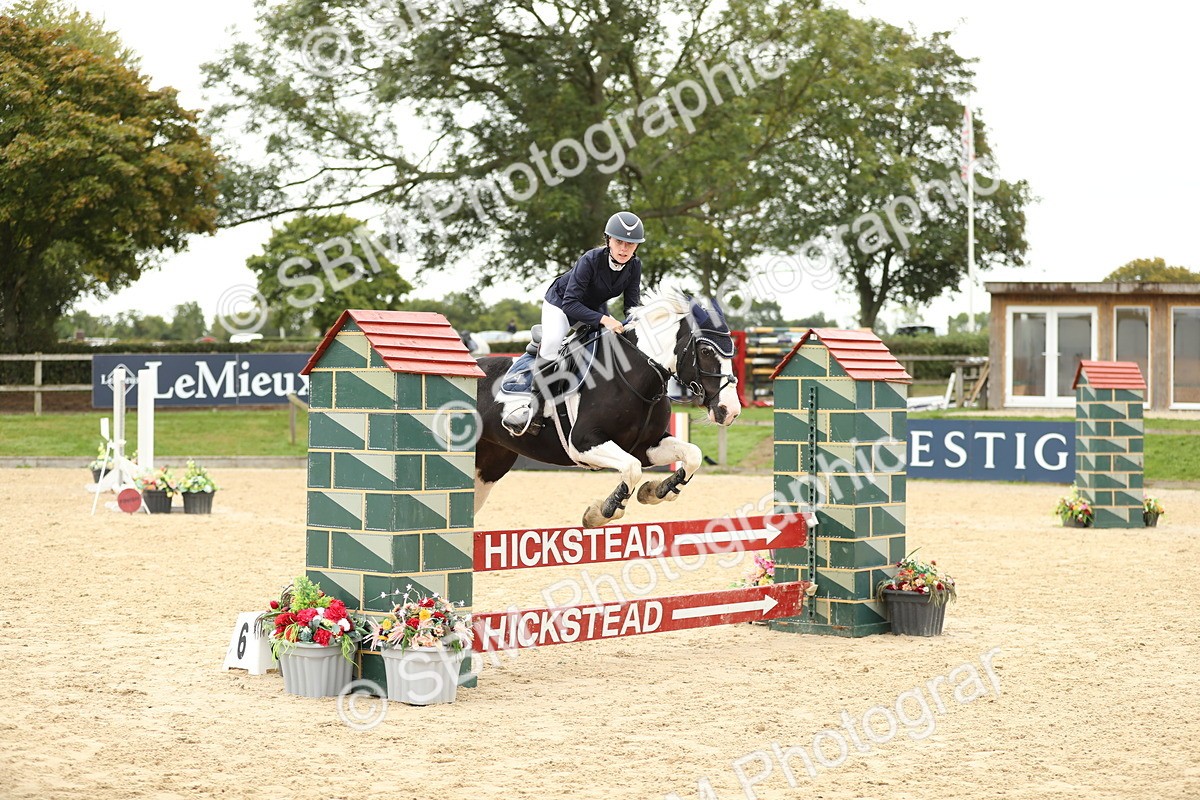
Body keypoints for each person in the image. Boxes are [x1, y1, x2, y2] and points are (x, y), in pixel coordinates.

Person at [502, 211, 645, 435]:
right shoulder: (590, 259)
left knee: (609, 343)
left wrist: (639, 321)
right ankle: (533, 410)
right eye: (619, 242)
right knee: (551, 342)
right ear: (608, 240)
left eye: (630, 244)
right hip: (561, 304)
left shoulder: (634, 266)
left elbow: (631, 306)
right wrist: (605, 319)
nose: (624, 249)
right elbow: (570, 303)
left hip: (594, 308)